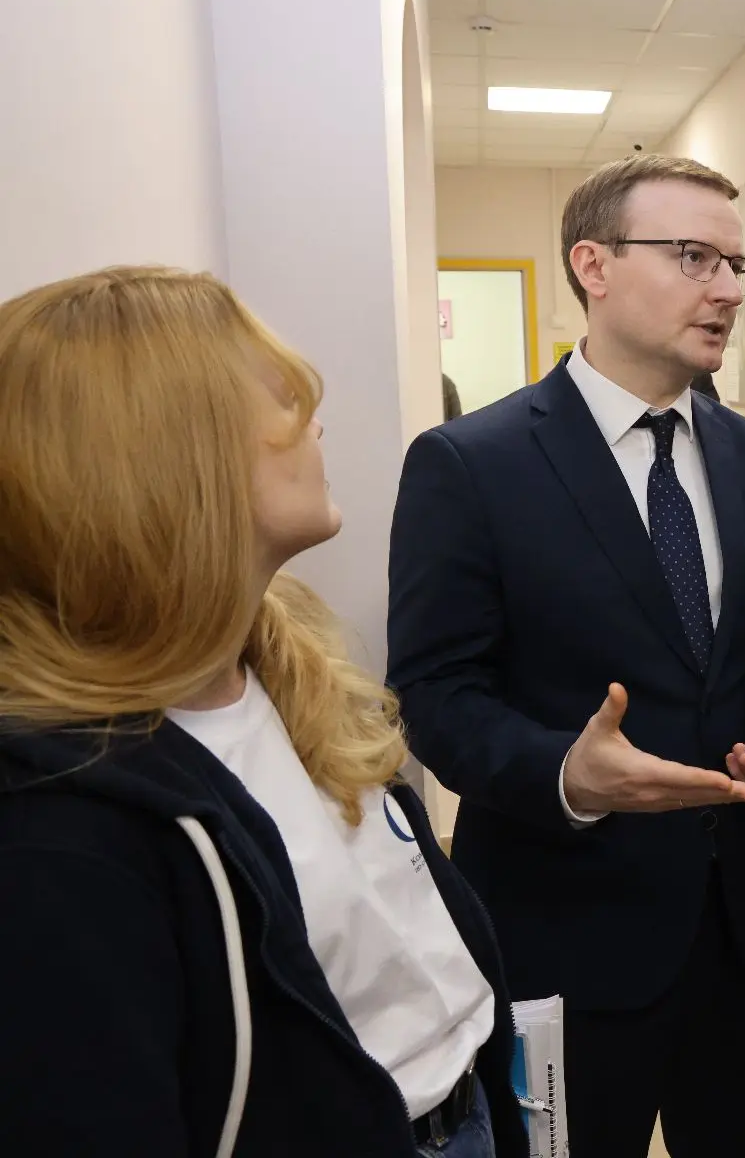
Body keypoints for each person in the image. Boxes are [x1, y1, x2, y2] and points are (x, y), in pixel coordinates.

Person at [0, 267, 525, 1158]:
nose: (316, 423)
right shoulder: (59, 825)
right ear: (167, 456)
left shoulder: (286, 671)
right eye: (282, 400)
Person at [388, 154, 745, 1157]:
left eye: (734, 265)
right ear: (591, 265)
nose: (727, 290)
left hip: (737, 923)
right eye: (692, 257)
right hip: (566, 932)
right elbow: (433, 694)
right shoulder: (471, 465)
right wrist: (566, 773)